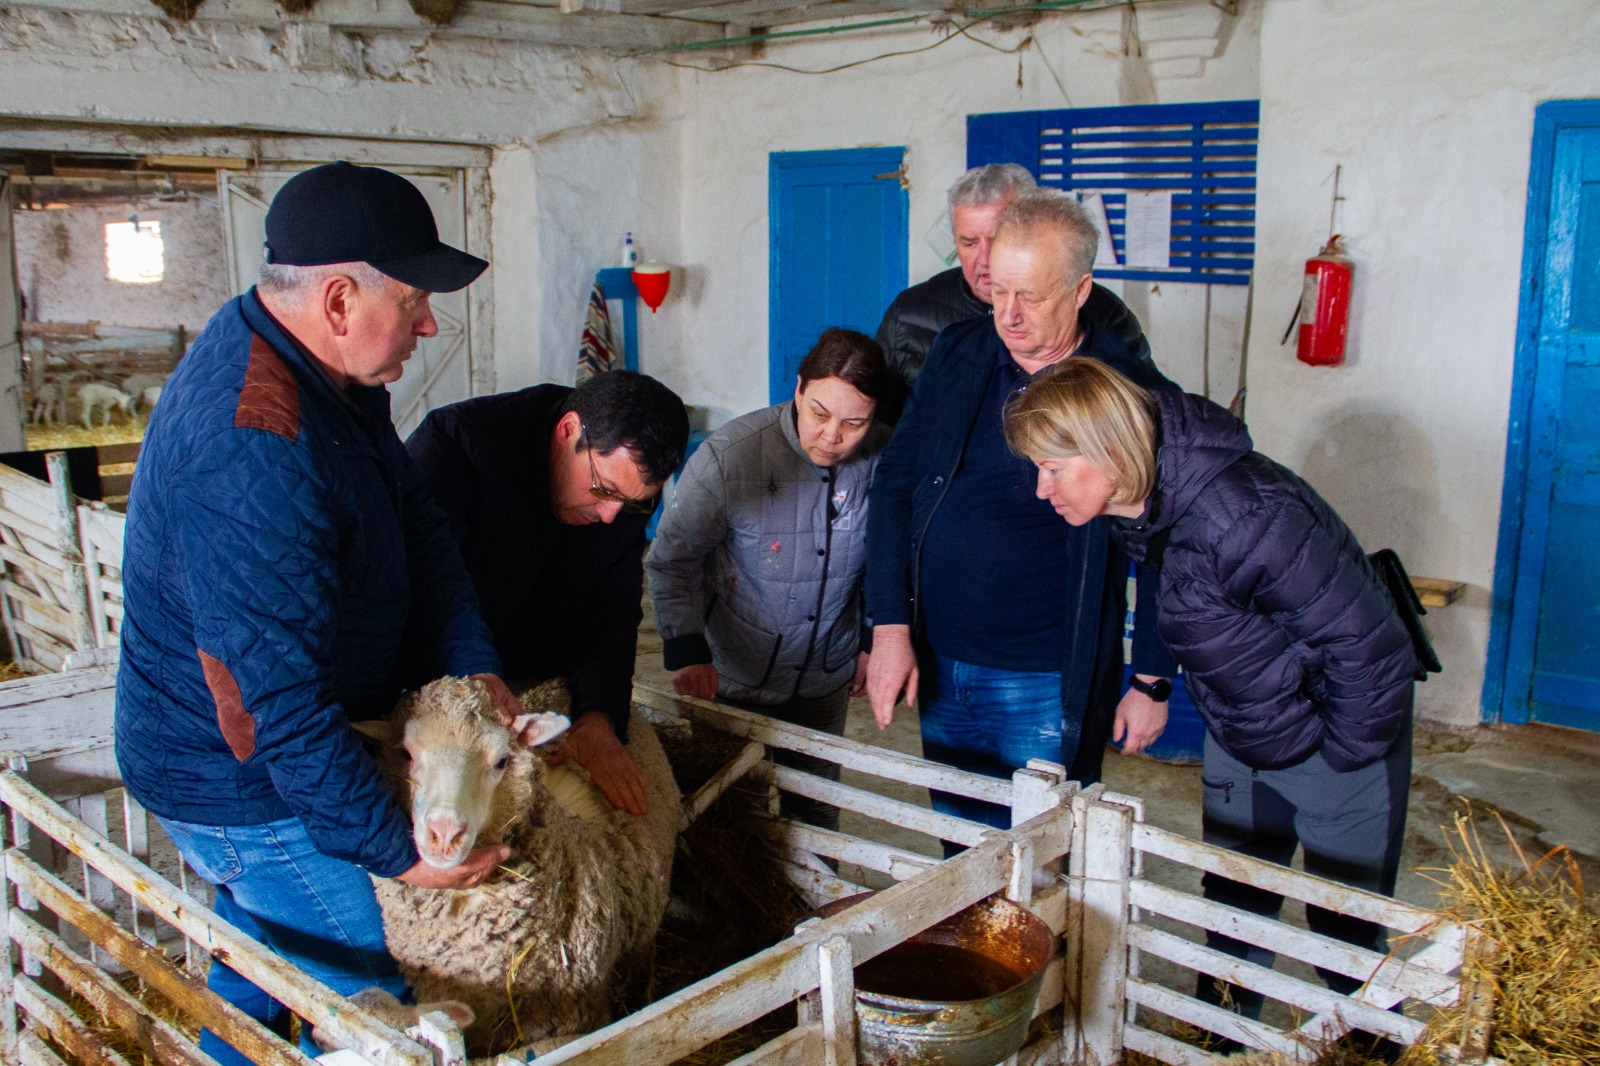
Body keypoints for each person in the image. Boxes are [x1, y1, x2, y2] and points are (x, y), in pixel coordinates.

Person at [115, 162, 523, 1066]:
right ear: (339, 300)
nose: (429, 323)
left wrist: (471, 660)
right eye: (415, 299)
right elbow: (275, 709)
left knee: (266, 952)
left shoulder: (328, 377)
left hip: (278, 751)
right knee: (394, 993)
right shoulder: (254, 445)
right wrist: (398, 853)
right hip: (242, 780)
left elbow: (416, 525)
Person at [1004, 357, 1418, 1033]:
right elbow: (1192, 602)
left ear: (1111, 449)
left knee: (1342, 924)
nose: (1041, 489)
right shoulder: (1147, 507)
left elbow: (1369, 650)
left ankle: (1376, 1047)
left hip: (1337, 743)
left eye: (1053, 467)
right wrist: (1205, 712)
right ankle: (1218, 1042)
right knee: (1231, 902)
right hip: (1243, 731)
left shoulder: (1248, 515)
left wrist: (1337, 762)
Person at [865, 187, 1178, 836]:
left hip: (1047, 671)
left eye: (1030, 297)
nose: (1008, 314)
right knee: (960, 843)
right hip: (942, 657)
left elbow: (1166, 544)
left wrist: (1151, 679)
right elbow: (896, 481)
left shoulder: (1129, 394)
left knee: (1043, 859)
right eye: (997, 291)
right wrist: (890, 625)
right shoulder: (957, 351)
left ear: (1081, 289)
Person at [406, 371, 689, 816]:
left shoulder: (623, 496)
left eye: (633, 503)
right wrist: (473, 668)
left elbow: (610, 610)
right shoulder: (455, 447)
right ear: (567, 431)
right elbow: (425, 585)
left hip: (539, 686)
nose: (612, 516)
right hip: (446, 679)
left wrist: (600, 716)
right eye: (603, 490)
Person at [646, 329, 894, 830]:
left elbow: (889, 559)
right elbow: (673, 558)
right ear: (798, 390)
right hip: (732, 675)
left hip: (826, 672)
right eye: (820, 414)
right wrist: (686, 648)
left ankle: (818, 909)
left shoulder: (885, 460)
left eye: (854, 423)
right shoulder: (731, 457)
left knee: (817, 811)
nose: (832, 436)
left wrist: (874, 639)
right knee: (733, 816)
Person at [872, 163, 1149, 423]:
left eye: (997, 239)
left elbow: (1144, 416)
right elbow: (881, 428)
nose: (984, 260)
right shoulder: (908, 316)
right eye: (968, 243)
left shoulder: (1106, 314)